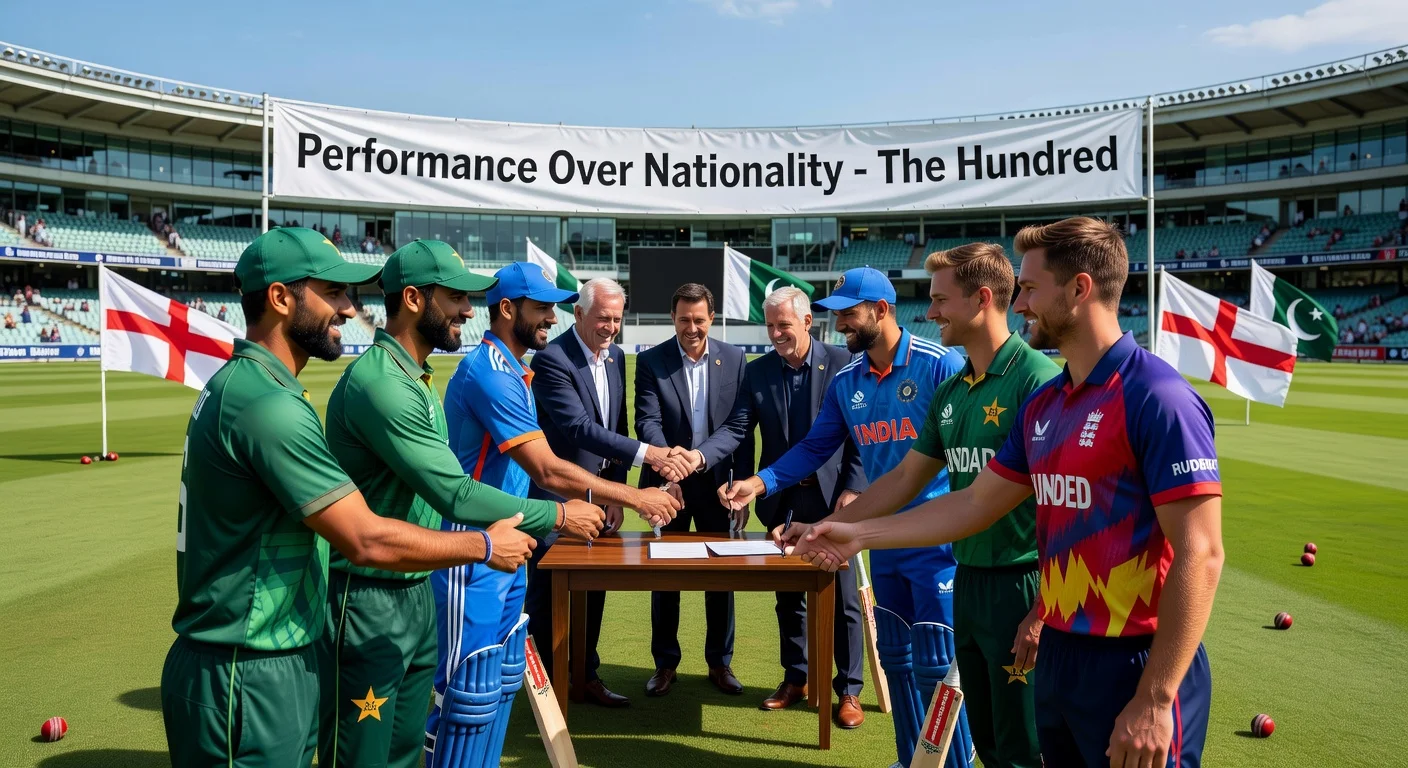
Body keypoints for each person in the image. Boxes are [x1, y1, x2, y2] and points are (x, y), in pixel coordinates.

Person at [796, 217, 1224, 768]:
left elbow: (1201, 553)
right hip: (1063, 652)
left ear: (1079, 289)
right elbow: (974, 503)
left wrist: (1157, 696)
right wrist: (856, 534)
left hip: (1134, 657)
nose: (1018, 303)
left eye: (1029, 288)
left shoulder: (1158, 397)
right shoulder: (1048, 405)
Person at [160, 227, 540, 768]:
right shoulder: (266, 404)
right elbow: (363, 538)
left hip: (266, 655)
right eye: (333, 292)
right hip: (246, 664)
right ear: (280, 298)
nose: (347, 308)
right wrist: (482, 546)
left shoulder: (259, 389)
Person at [317, 240, 605, 768]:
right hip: (370, 597)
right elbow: (454, 492)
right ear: (411, 298)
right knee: (368, 751)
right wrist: (559, 514)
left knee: (407, 748)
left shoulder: (418, 381)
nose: (469, 310)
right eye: (455, 298)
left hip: (413, 582)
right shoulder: (382, 384)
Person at [431, 263, 680, 765]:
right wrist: (637, 496)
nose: (552, 316)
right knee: (463, 693)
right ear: (507, 310)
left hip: (508, 545)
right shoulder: (491, 374)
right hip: (474, 553)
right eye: (542, 307)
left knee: (496, 684)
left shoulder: (515, 370)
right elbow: (548, 470)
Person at [824, 244, 1060, 767]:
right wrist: (833, 526)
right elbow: (908, 477)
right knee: (987, 740)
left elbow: (1067, 511)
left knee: (1024, 744)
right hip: (969, 573)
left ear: (980, 299)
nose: (928, 313)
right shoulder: (953, 389)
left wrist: (1044, 608)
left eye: (938, 300)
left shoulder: (1037, 382)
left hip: (1022, 582)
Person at [718, 266, 965, 768]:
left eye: (849, 315)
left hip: (941, 541)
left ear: (882, 311)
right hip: (883, 540)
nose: (842, 326)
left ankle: (952, 764)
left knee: (940, 664)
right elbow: (815, 446)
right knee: (897, 658)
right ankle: (910, 759)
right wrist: (760, 482)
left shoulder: (941, 365)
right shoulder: (848, 379)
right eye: (837, 316)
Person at [525, 277, 691, 708]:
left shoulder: (616, 356)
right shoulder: (551, 359)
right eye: (603, 318)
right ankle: (549, 688)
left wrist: (614, 495)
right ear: (578, 314)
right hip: (555, 498)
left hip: (598, 499)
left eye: (617, 319)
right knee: (549, 595)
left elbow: (615, 425)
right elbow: (580, 429)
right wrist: (652, 456)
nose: (610, 327)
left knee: (591, 589)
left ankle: (585, 676)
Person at [730, 287, 868, 727]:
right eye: (769, 326)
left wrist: (854, 486)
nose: (775, 334)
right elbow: (739, 433)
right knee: (789, 597)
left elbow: (862, 435)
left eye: (783, 325)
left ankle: (848, 690)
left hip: (834, 500)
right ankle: (798, 677)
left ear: (808, 322)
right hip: (782, 501)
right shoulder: (757, 373)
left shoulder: (846, 364)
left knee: (842, 596)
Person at [634, 282, 752, 697]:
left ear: (711, 319)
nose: (691, 327)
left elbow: (741, 429)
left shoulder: (736, 359)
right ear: (673, 318)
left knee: (722, 577)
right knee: (664, 575)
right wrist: (669, 464)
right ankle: (665, 664)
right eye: (684, 319)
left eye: (699, 319)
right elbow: (646, 422)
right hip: (668, 485)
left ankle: (720, 664)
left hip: (719, 485)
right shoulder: (651, 360)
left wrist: (743, 484)